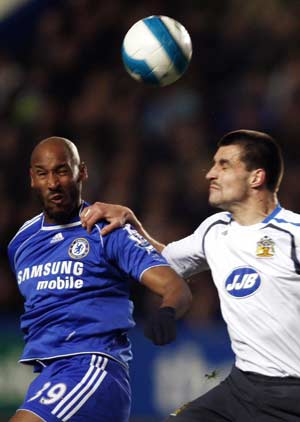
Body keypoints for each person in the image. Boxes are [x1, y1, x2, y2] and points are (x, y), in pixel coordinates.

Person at [80, 129, 300, 422]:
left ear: (255, 178)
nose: (210, 174)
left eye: (224, 165)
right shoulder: (215, 229)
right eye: (213, 164)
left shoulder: (293, 234)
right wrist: (131, 223)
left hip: (291, 395)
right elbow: (163, 261)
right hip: (242, 386)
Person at [7, 137, 192, 422]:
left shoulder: (107, 230)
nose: (53, 183)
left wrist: (168, 312)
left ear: (82, 172)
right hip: (48, 374)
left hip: (92, 366)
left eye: (62, 170)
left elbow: (174, 286)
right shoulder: (21, 242)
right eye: (43, 174)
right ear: (33, 179)